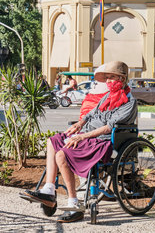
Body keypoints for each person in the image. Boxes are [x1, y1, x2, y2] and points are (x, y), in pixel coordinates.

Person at [21, 61, 137, 223]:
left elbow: (108, 128)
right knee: (53, 141)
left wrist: (83, 136)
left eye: (112, 78)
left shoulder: (129, 102)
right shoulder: (107, 97)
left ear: (122, 79)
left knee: (62, 155)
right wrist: (79, 124)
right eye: (107, 78)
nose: (109, 81)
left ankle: (74, 203)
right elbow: (90, 114)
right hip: (87, 134)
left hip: (102, 142)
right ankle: (49, 189)